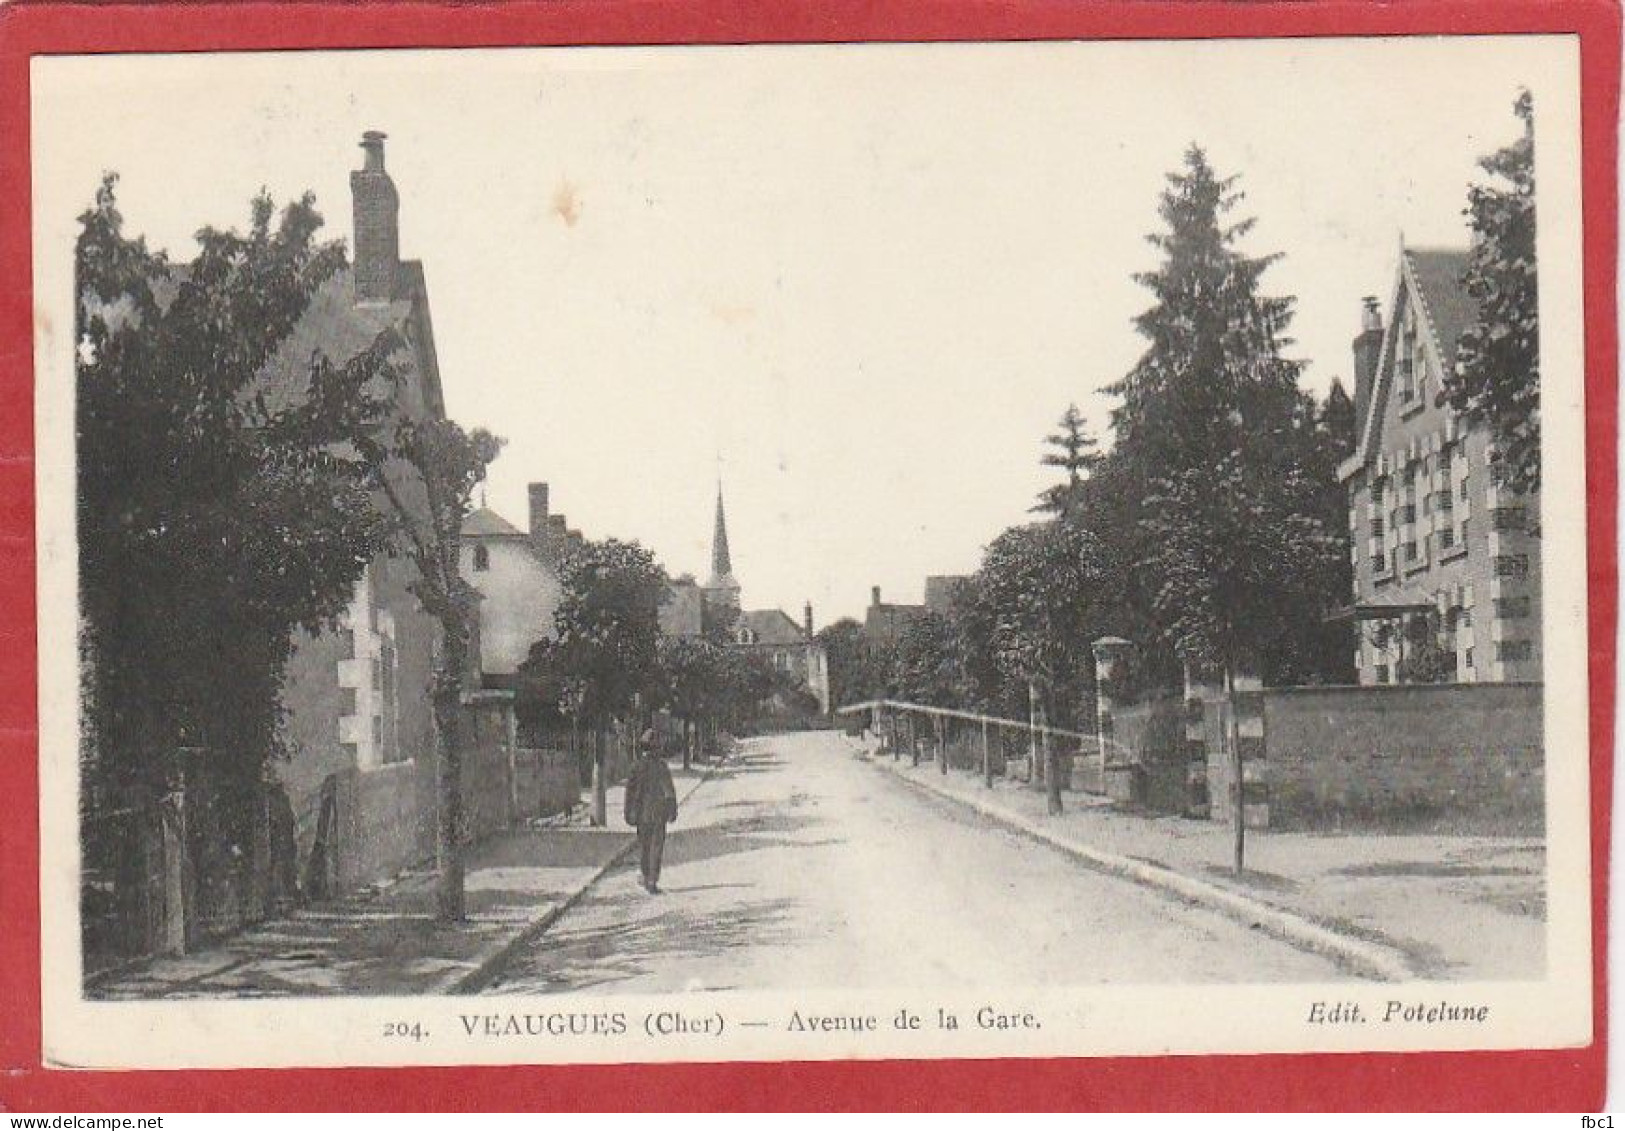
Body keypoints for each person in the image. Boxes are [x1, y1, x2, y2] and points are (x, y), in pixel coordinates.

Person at [624, 728, 678, 893]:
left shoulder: (636, 767)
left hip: (642, 814)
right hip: (659, 813)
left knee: (645, 846)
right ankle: (652, 881)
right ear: (656, 748)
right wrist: (672, 810)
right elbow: (669, 791)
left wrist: (628, 812)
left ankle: (646, 875)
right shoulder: (662, 766)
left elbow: (630, 792)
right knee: (656, 847)